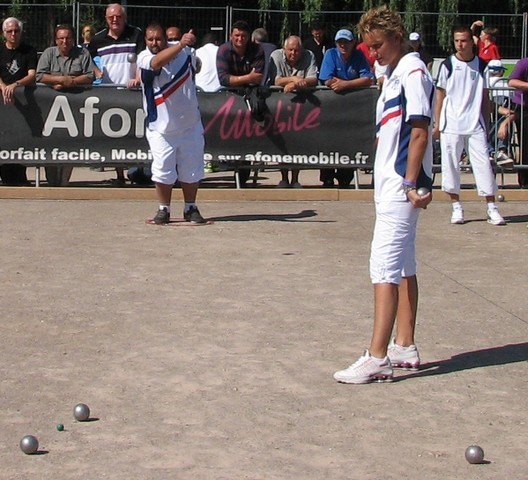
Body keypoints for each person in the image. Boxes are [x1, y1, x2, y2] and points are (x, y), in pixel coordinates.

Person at [333, 5, 433, 385]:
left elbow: (420, 131)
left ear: (395, 37)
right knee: (404, 263)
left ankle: (376, 357)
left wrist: (411, 183)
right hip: (390, 182)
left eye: (376, 45)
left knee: (384, 267)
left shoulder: (412, 70)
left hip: (399, 185)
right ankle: (404, 345)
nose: (371, 53)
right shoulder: (393, 73)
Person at [434, 25, 505, 225]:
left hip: (475, 124)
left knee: (482, 165)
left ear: (471, 42)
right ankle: (456, 207)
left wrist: (487, 122)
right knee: (451, 166)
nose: (460, 44)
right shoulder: (447, 64)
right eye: (456, 40)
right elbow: (440, 94)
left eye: (463, 40)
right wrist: (438, 123)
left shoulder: (481, 65)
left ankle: (492, 207)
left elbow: (484, 96)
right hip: (451, 124)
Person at [137, 23, 206, 224]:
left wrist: (186, 45)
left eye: (158, 39)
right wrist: (182, 45)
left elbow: (196, 67)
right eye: (150, 39)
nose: (154, 43)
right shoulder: (144, 58)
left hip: (190, 123)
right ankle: (163, 209)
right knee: (163, 170)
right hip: (161, 127)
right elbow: (157, 63)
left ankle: (190, 207)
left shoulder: (186, 51)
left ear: (165, 39)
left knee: (191, 169)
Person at [89, 3, 145, 186]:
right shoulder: (97, 39)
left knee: (134, 135)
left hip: (132, 93)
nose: (115, 20)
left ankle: (137, 172)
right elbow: (85, 59)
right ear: (106, 19)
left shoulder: (136, 33)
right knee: (113, 135)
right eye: (111, 17)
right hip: (108, 94)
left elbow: (142, 58)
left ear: (124, 18)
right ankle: (119, 175)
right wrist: (97, 72)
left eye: (118, 16)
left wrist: (137, 78)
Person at [36, 24, 95, 187]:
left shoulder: (83, 54)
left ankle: (64, 183)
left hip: (75, 107)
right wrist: (60, 80)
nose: (64, 41)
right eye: (61, 38)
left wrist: (72, 82)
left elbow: (90, 76)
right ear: (56, 40)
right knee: (50, 145)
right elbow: (39, 75)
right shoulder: (48, 54)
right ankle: (52, 182)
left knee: (70, 145)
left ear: (73, 39)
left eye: (68, 38)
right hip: (49, 109)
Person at [319, 28, 374, 188]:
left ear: (353, 43)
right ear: (336, 43)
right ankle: (327, 178)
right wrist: (350, 83)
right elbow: (326, 78)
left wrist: (345, 84)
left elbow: (368, 79)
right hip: (331, 107)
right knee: (329, 143)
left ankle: (345, 178)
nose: (343, 45)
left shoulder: (358, 55)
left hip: (352, 109)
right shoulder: (330, 54)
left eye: (346, 42)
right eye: (340, 42)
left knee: (349, 142)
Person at [216, 20, 265, 186]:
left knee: (247, 136)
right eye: (236, 35)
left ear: (249, 37)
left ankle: (243, 175)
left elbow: (257, 78)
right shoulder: (223, 50)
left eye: (243, 36)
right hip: (228, 97)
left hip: (251, 97)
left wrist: (238, 79)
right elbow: (223, 79)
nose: (240, 39)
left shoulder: (257, 49)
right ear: (231, 36)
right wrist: (247, 78)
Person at [269, 35, 318, 188]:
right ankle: (283, 177)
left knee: (298, 142)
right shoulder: (275, 56)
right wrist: (296, 80)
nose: (293, 53)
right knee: (282, 142)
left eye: (297, 50)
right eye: (290, 50)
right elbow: (276, 80)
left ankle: (296, 178)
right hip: (280, 105)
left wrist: (292, 84)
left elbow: (313, 79)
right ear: (284, 49)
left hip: (302, 106)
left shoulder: (309, 55)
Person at [0, 17, 37, 186]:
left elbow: (31, 75)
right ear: (4, 33)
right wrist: (3, 87)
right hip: (3, 103)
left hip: (22, 102)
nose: (13, 34)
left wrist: (15, 85)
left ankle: (18, 176)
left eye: (16, 31)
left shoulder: (28, 51)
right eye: (9, 31)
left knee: (20, 140)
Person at [487, 59, 515, 167]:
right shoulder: (506, 83)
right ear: (501, 71)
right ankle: (501, 149)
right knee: (505, 120)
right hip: (503, 105)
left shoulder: (485, 82)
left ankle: (492, 151)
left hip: (492, 107)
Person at [507, 56, 528, 188]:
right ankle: (525, 181)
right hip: (524, 107)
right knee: (526, 144)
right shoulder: (524, 63)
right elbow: (512, 81)